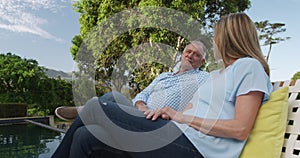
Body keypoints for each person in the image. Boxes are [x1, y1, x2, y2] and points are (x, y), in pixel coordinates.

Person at [52, 12, 273, 158]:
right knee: (86, 137)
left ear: (228, 38)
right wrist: (170, 115)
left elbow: (240, 129)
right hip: (174, 132)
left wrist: (180, 116)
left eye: (216, 37)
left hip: (196, 149)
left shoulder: (248, 66)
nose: (214, 42)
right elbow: (193, 110)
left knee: (96, 107)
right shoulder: (217, 76)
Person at [54, 41, 209, 121]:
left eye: (196, 55)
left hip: (159, 121)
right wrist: (141, 106)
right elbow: (144, 93)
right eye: (188, 51)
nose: (190, 55)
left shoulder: (203, 78)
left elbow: (202, 104)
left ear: (202, 62)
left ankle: (83, 110)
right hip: (140, 113)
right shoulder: (164, 76)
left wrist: (174, 114)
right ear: (182, 54)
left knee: (105, 101)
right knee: (112, 97)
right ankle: (84, 111)